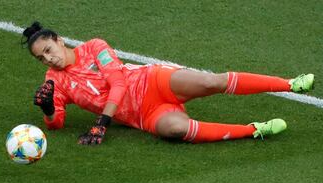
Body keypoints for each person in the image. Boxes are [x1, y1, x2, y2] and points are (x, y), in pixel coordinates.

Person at [21, 21, 315, 145]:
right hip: (142, 115)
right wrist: (48, 109)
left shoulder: (93, 47)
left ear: (59, 40)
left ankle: (289, 84)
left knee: (211, 81)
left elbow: (119, 82)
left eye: (48, 50)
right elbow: (56, 124)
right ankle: (254, 130)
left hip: (152, 82)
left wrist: (102, 123)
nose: (48, 59)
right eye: (41, 59)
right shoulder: (53, 82)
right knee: (176, 130)